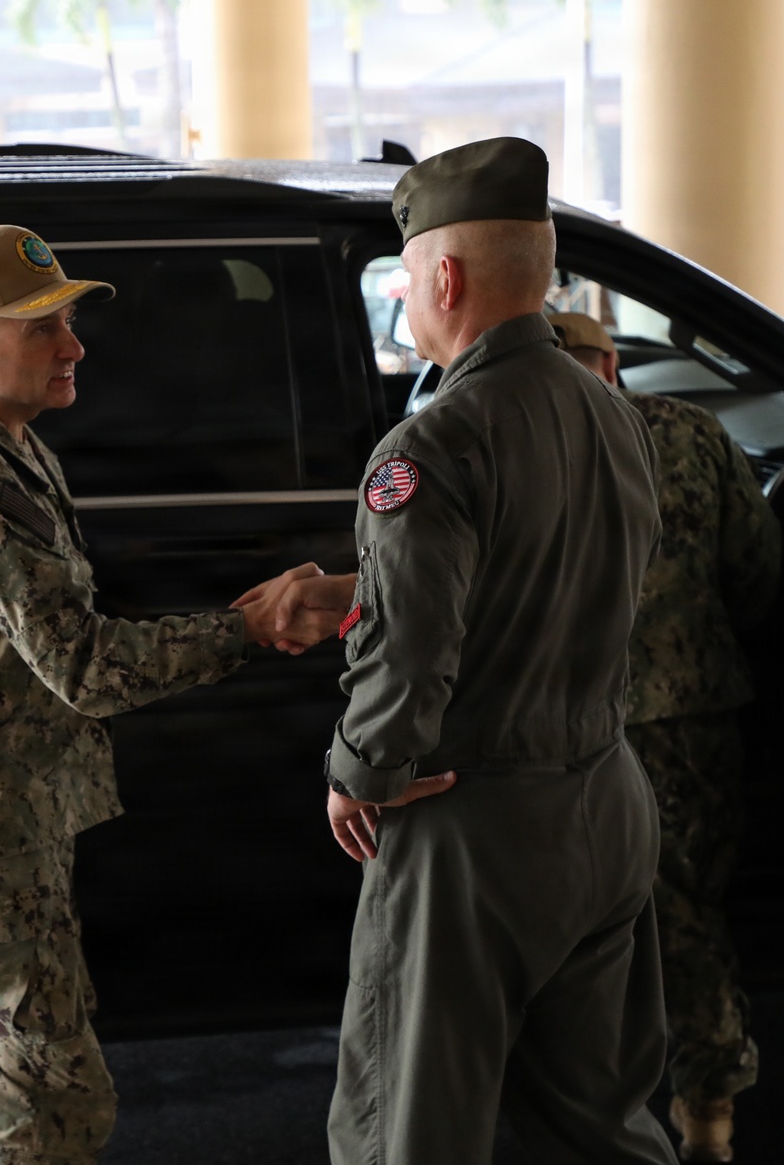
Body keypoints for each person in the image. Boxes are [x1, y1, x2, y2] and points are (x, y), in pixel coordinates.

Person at [0, 224, 343, 1165]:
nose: (74, 346)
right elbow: (85, 669)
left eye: (69, 321)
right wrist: (246, 629)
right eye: (43, 329)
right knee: (52, 1092)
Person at [247, 137, 679, 1164]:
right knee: (599, 1123)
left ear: (442, 275)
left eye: (405, 277)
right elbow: (552, 574)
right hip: (605, 801)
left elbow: (411, 641)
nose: (405, 296)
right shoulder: (612, 413)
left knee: (408, 1124)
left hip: (472, 821)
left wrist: (359, 771)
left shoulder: (431, 444)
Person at [552, 311, 781, 1163]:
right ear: (610, 359)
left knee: (574, 926)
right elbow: (758, 570)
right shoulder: (688, 431)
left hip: (565, 729)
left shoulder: (511, 440)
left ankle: (588, 1111)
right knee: (687, 915)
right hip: (690, 721)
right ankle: (709, 1115)